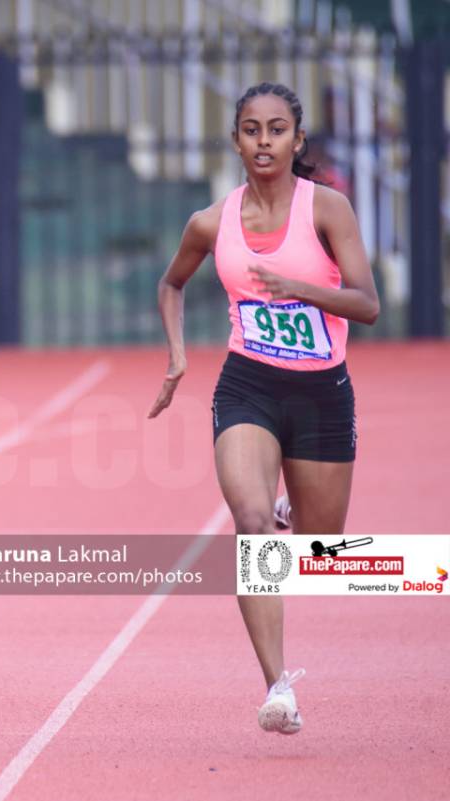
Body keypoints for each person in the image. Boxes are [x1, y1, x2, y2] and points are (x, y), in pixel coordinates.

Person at [148, 82, 379, 734]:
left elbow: (367, 303)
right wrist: (177, 353)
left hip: (322, 394)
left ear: (297, 140)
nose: (264, 141)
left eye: (277, 129)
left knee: (319, 547)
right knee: (251, 524)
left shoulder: (327, 209)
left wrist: (301, 288)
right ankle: (278, 686)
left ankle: (292, 509)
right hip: (246, 385)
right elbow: (171, 282)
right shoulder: (211, 222)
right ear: (236, 140)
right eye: (251, 129)